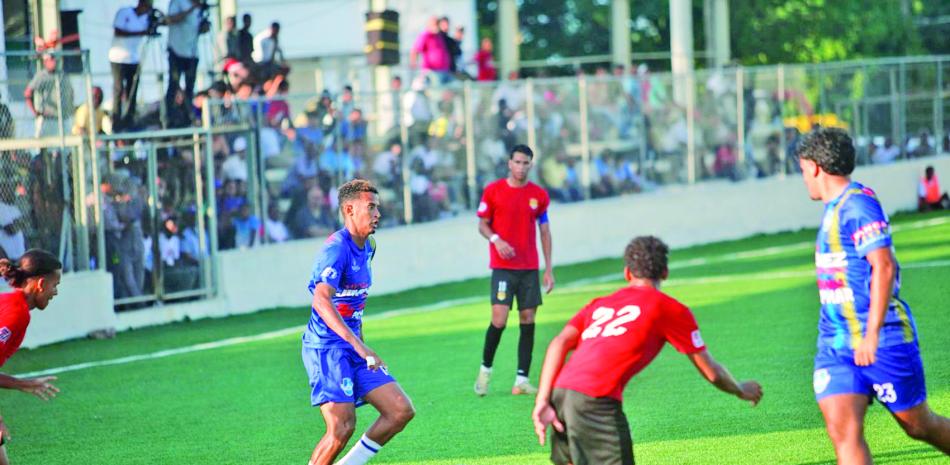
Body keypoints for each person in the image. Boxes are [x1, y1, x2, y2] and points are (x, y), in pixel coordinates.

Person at [532, 236, 762, 465]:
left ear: (627, 273)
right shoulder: (669, 308)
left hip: (560, 392)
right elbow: (711, 371)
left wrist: (542, 399)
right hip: (595, 399)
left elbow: (558, 342)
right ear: (665, 273)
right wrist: (739, 389)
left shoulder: (599, 304)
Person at [796, 128, 950, 463]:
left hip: (882, 337)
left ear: (815, 167)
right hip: (835, 343)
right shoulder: (834, 208)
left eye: (803, 169)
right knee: (844, 434)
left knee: (919, 425)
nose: (803, 177)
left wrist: (872, 333)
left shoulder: (858, 204)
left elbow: (883, 266)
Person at [302, 179, 414, 465]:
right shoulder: (336, 250)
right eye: (371, 207)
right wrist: (361, 348)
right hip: (326, 349)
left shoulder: (369, 246)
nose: (378, 214)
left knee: (400, 410)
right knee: (341, 427)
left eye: (378, 207)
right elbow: (321, 300)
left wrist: (361, 347)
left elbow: (354, 307)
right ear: (349, 209)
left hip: (353, 349)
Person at [474, 144, 554, 396]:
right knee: (499, 319)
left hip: (529, 268)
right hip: (503, 269)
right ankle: (485, 372)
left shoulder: (538, 196)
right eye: (517, 162)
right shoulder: (494, 191)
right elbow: (482, 225)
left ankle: (521, 380)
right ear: (509, 163)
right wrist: (496, 240)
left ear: (531, 165)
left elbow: (544, 230)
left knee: (528, 319)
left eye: (526, 163)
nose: (521, 167)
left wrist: (548, 269)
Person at [0, 249, 63, 465]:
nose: (55, 292)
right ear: (40, 284)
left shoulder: (12, 304)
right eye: (55, 285)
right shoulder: (16, 314)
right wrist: (23, 384)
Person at [108, 0, 152, 131]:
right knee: (118, 88)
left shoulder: (146, 19)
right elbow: (118, 31)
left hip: (133, 59)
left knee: (132, 90)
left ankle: (129, 120)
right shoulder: (124, 12)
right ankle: (116, 120)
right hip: (118, 57)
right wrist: (140, 33)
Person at [164, 0, 203, 120]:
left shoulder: (200, 6)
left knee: (190, 87)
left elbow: (197, 26)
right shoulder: (177, 2)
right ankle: (170, 117)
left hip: (192, 53)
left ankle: (187, 117)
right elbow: (170, 19)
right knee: (174, 85)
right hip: (177, 50)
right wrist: (191, 9)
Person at [24, 53, 75, 138]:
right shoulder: (41, 76)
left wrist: (69, 106)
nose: (52, 62)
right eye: (50, 59)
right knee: (45, 146)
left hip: (63, 118)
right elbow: (27, 93)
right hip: (48, 119)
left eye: (53, 59)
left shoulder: (62, 75)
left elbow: (71, 92)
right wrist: (35, 112)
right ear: (45, 62)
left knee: (65, 147)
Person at [409, 16, 451, 84]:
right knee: (437, 90)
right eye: (435, 24)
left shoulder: (439, 36)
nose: (437, 26)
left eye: (438, 24)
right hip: (432, 72)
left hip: (444, 71)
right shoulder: (425, 35)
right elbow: (415, 50)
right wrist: (413, 62)